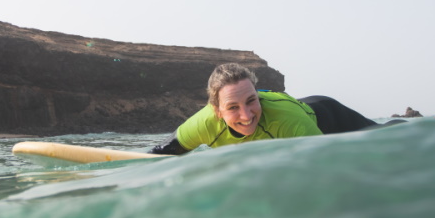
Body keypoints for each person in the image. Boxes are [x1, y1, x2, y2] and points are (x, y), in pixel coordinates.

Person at [150, 63, 405, 155]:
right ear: (217, 111)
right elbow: (161, 153)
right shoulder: (203, 125)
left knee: (379, 134)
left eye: (251, 100)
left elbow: (323, 167)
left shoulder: (288, 122)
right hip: (295, 113)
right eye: (233, 107)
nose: (246, 115)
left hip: (326, 117)